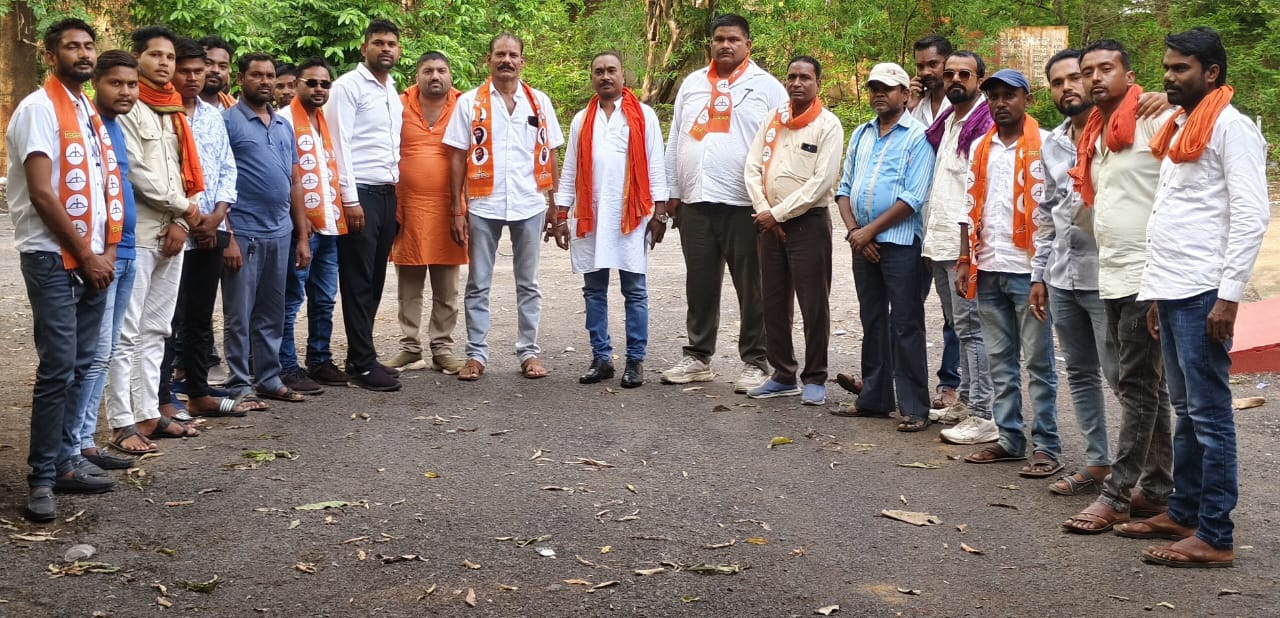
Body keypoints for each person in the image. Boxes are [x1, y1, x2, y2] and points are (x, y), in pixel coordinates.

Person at [1131, 28, 1269, 569]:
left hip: (1204, 291)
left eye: (1180, 68)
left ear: (1211, 73)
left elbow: (1251, 216)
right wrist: (1155, 293)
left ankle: (1216, 534)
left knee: (1209, 416)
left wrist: (1228, 297)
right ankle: (1184, 512)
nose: (1168, 76)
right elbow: (1175, 215)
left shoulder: (1232, 129)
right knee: (1187, 410)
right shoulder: (1183, 125)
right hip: (1173, 288)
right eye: (1166, 67)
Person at [1058, 40, 1177, 530]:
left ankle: (1118, 492)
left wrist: (1173, 101)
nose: (1094, 78)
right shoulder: (1096, 133)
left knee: (1137, 386)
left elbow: (1199, 145)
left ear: (1129, 76)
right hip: (1112, 273)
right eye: (1088, 70)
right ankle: (1158, 489)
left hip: (1148, 274)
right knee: (1149, 385)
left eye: (1106, 68)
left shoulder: (1156, 118)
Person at [7, 18, 122, 519]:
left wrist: (107, 250)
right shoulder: (39, 109)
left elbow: (103, 185)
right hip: (52, 256)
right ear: (51, 56)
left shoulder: (85, 109)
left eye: (88, 45)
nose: (84, 53)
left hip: (94, 255)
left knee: (80, 363)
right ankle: (41, 478)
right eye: (72, 47)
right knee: (57, 367)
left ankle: (66, 461)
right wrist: (88, 254)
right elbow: (41, 192)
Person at [661, 13, 787, 392]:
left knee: (753, 286)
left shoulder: (768, 88)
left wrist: (773, 203)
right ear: (711, 44)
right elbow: (676, 137)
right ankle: (698, 357)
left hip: (744, 204)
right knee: (699, 283)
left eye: (733, 39)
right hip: (696, 201)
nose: (725, 45)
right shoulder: (693, 83)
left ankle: (756, 361)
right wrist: (672, 191)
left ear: (748, 45)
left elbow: (783, 144)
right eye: (719, 39)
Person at [956, 69, 1060, 477]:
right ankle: (1011, 439)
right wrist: (965, 259)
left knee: (1038, 363)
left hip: (1028, 271)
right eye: (994, 96)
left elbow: (1054, 211)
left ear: (1027, 100)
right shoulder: (981, 147)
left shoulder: (1047, 145)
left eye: (1009, 95)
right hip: (988, 266)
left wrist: (1043, 274)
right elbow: (969, 207)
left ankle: (1047, 447)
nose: (1000, 103)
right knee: (1000, 360)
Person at [1028, 48, 1123, 500]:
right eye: (1057, 82)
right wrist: (1039, 273)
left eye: (1074, 78)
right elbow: (1048, 212)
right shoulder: (1052, 143)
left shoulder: (1120, 132)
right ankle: (1098, 463)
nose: (1067, 87)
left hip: (1110, 279)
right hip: (1063, 276)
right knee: (1081, 374)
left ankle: (1146, 476)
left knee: (1125, 379)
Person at [443, 33, 564, 381]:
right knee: (478, 283)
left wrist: (555, 204)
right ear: (489, 60)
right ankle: (476, 354)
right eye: (500, 54)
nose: (506, 60)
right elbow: (457, 156)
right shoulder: (469, 103)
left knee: (529, 283)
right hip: (484, 204)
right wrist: (457, 208)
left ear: (522, 61)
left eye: (513, 55)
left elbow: (551, 153)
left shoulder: (539, 102)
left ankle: (529, 352)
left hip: (529, 202)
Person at [107, 25, 204, 452]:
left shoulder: (174, 109)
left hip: (174, 232)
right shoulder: (129, 107)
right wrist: (184, 209)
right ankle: (121, 421)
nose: (164, 63)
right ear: (137, 58)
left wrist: (183, 220)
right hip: (142, 233)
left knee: (157, 329)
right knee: (126, 331)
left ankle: (148, 412)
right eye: (155, 55)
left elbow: (188, 172)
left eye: (169, 57)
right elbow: (136, 173)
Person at [555, 51, 669, 387]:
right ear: (592, 77)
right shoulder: (582, 120)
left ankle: (635, 360)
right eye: (598, 71)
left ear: (623, 75)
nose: (605, 76)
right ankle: (601, 358)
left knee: (635, 290)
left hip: (631, 216)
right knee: (593, 291)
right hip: (590, 215)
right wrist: (561, 214)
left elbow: (656, 164)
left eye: (611, 70)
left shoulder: (643, 116)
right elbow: (570, 169)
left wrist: (660, 212)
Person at [832, 63, 935, 429]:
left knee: (906, 324)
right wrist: (855, 232)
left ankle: (915, 408)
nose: (879, 94)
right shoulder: (861, 133)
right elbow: (844, 188)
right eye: (874, 87)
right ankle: (874, 399)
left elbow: (913, 197)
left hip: (901, 244)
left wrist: (868, 232)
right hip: (863, 243)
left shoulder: (919, 137)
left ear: (905, 94)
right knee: (872, 320)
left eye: (888, 88)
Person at [742, 55, 842, 404]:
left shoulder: (828, 125)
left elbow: (821, 182)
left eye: (805, 78)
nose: (797, 83)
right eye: (792, 77)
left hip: (807, 224)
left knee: (813, 304)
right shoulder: (774, 119)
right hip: (768, 223)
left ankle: (815, 376)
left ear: (818, 84)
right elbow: (752, 166)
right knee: (772, 301)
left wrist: (779, 213)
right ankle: (783, 374)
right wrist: (764, 210)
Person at [166, 37, 250, 419]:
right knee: (169, 319)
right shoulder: (160, 114)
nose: (193, 78)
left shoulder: (214, 115)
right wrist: (190, 218)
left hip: (212, 228)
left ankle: (199, 392)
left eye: (198, 71)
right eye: (185, 71)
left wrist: (218, 216)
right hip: (174, 230)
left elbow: (227, 168)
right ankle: (163, 396)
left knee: (201, 315)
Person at [221, 52, 311, 403]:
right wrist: (227, 236)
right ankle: (239, 382)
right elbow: (217, 180)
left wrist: (302, 236)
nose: (265, 81)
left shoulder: (283, 125)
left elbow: (295, 181)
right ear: (240, 78)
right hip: (243, 231)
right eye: (256, 75)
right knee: (239, 314)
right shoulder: (227, 122)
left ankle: (269, 378)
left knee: (272, 311)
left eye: (270, 76)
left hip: (280, 232)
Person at [918, 51, 996, 441]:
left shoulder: (985, 125)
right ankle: (965, 401)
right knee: (958, 325)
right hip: (941, 240)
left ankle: (984, 415)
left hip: (965, 245)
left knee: (972, 328)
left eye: (965, 73)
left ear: (980, 79)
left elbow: (981, 190)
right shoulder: (948, 121)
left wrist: (970, 250)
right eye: (949, 74)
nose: (955, 80)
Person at [72, 51, 142, 472]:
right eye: (116, 83)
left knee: (108, 350)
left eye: (132, 84)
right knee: (93, 353)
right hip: (103, 254)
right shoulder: (87, 124)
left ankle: (86, 440)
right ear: (96, 82)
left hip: (128, 249)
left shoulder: (114, 126)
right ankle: (75, 445)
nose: (126, 92)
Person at [326, 19, 404, 391]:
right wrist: (350, 199)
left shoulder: (392, 90)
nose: (385, 48)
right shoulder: (347, 87)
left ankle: (362, 355)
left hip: (387, 194)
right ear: (364, 48)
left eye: (391, 43)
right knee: (357, 280)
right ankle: (361, 362)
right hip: (360, 194)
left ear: (398, 50)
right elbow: (338, 144)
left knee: (374, 280)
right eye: (378, 42)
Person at [389, 52, 467, 375]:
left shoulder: (464, 105)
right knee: (408, 285)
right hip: (406, 205)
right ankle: (410, 348)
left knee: (447, 287)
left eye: (441, 70)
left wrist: (464, 206)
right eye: (428, 71)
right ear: (416, 76)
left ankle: (442, 348)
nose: (435, 76)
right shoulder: (398, 104)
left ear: (450, 75)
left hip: (451, 207)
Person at [278, 57, 349, 393]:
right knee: (292, 299)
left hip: (328, 225)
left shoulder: (324, 121)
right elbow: (286, 177)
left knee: (324, 299)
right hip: (300, 228)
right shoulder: (283, 120)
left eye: (325, 84)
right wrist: (299, 224)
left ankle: (319, 360)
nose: (319, 89)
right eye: (312, 83)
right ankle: (286, 365)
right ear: (297, 84)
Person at [908, 35, 959, 411]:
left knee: (954, 313)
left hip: (949, 225)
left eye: (933, 64)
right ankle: (898, 377)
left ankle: (950, 384)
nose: (926, 72)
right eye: (920, 66)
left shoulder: (965, 110)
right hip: (914, 222)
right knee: (906, 305)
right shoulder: (916, 107)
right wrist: (909, 106)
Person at [198, 35, 237, 110]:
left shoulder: (235, 110)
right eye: (208, 63)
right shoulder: (177, 105)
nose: (216, 70)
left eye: (222, 66)